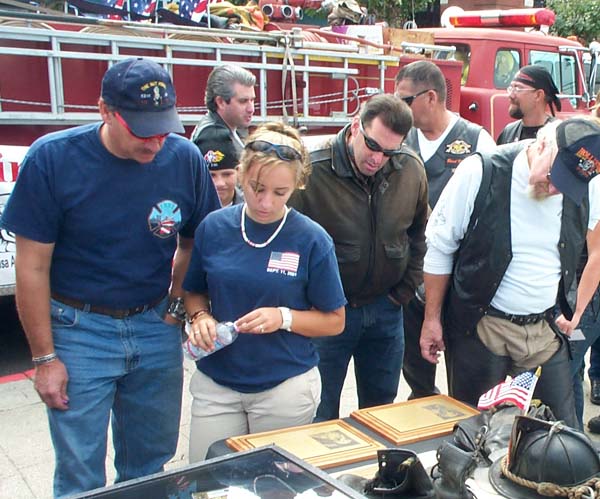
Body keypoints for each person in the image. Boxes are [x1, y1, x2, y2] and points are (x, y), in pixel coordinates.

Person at [0, 58, 221, 497]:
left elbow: (197, 240)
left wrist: (177, 305)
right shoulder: (54, 159)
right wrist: (45, 359)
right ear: (104, 110)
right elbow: (32, 267)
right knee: (80, 472)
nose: (155, 142)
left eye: (163, 129)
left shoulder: (184, 159)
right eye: (141, 130)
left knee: (151, 463)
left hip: (154, 323)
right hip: (79, 330)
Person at [420, 117, 600, 429]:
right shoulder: (481, 170)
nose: (557, 188)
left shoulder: (590, 185)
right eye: (554, 174)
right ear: (541, 144)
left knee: (561, 437)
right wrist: (432, 319)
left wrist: (575, 309)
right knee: (472, 433)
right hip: (482, 324)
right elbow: (439, 246)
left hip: (543, 329)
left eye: (568, 185)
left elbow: (593, 249)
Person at [183, 122, 347, 461]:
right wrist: (199, 316)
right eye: (257, 188)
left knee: (272, 487)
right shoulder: (214, 228)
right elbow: (194, 291)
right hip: (217, 384)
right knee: (204, 482)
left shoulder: (312, 239)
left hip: (283, 387)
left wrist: (283, 317)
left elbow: (334, 321)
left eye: (279, 192)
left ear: (296, 187)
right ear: (241, 174)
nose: (265, 202)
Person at [289, 94, 429, 421]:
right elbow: (288, 242)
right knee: (319, 412)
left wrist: (403, 293)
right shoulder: (313, 170)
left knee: (381, 411)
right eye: (373, 145)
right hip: (327, 313)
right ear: (355, 127)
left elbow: (421, 234)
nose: (378, 158)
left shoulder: (409, 169)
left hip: (385, 309)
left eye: (389, 151)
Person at [393, 60, 497, 400]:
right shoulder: (400, 138)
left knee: (461, 354)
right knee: (414, 354)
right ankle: (422, 399)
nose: (400, 108)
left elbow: (492, 207)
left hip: (456, 270)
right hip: (410, 269)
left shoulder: (474, 139)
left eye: (405, 100)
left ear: (431, 97)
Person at [190, 64, 256, 156]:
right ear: (220, 102)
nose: (251, 109)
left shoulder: (224, 129)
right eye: (243, 101)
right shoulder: (214, 138)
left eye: (252, 100)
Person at [496, 64, 561, 144]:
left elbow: (581, 155)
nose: (511, 95)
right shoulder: (508, 133)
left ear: (538, 95)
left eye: (518, 88)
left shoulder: (560, 134)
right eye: (511, 88)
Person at [194, 125, 244, 207]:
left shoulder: (253, 209)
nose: (219, 183)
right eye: (211, 175)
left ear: (238, 172)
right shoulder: (185, 210)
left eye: (227, 174)